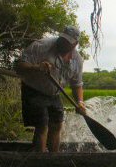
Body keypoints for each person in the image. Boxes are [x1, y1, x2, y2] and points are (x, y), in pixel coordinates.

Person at [16, 25, 86, 153]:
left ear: (75, 44)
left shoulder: (77, 60)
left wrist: (80, 102)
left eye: (68, 42)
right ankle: (40, 160)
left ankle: (54, 157)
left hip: (54, 93)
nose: (63, 43)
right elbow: (19, 66)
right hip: (34, 89)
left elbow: (77, 85)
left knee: (57, 125)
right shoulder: (41, 46)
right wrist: (36, 67)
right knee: (42, 125)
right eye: (62, 39)